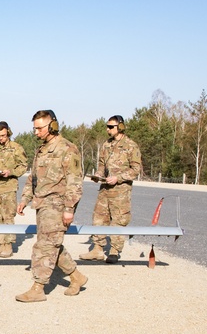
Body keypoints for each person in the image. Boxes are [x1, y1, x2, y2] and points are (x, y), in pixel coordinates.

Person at [15, 110, 87, 302]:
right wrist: (24, 199)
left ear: (53, 126)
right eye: (34, 129)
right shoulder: (42, 150)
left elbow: (75, 181)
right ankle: (77, 277)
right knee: (53, 243)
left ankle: (38, 288)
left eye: (40, 128)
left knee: (44, 246)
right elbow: (33, 178)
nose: (36, 133)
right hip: (42, 204)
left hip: (57, 204)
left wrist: (69, 209)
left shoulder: (67, 149)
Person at [80, 115, 142, 264]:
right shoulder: (106, 145)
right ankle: (97, 250)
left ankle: (114, 251)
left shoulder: (130, 145)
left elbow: (136, 169)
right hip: (105, 189)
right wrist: (98, 175)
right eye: (107, 126)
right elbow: (102, 165)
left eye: (111, 127)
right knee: (99, 218)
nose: (108, 129)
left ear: (120, 127)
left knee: (119, 220)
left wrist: (118, 178)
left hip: (121, 190)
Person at [0, 121, 28, 258]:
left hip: (9, 187)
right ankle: (0, 244)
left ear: (8, 133)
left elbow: (23, 166)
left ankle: (8, 246)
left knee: (8, 216)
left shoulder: (16, 148)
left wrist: (11, 172)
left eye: (3, 135)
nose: (1, 138)